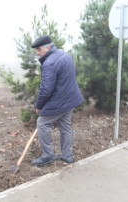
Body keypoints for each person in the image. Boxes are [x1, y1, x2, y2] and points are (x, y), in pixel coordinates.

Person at [30, 35, 84, 166]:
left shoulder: (49, 63)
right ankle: (67, 156)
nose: (38, 53)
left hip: (61, 101)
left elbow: (46, 89)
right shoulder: (64, 54)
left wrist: (39, 106)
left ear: (48, 47)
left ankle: (48, 155)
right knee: (65, 127)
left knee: (42, 124)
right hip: (70, 99)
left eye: (39, 50)